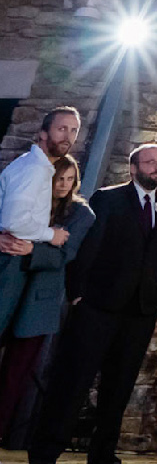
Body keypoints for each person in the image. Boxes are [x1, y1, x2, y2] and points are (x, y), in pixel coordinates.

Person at [28, 142, 157, 464]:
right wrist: (78, 293)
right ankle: (45, 452)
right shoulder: (108, 199)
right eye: (150, 161)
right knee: (74, 378)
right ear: (134, 168)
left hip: (139, 311)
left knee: (120, 383)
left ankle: (103, 452)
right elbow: (87, 248)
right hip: (97, 305)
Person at [0, 157, 95, 436]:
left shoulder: (82, 214)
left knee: (15, 373)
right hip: (6, 286)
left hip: (40, 298)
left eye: (69, 179)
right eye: (59, 179)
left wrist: (31, 250)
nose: (64, 186)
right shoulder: (28, 200)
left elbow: (66, 254)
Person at [0, 108, 82, 344]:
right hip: (9, 260)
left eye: (74, 130)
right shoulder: (34, 169)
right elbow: (13, 222)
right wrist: (51, 235)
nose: (68, 136)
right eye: (61, 128)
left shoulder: (41, 167)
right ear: (43, 133)